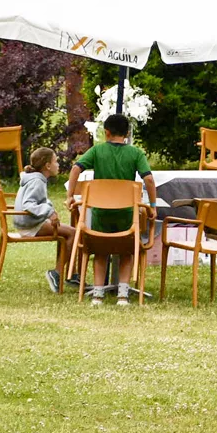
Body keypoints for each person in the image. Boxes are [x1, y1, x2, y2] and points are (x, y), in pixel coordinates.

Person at [66, 114, 155, 306]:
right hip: (126, 215)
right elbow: (148, 179)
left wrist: (70, 195)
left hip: (101, 214)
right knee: (126, 250)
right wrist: (153, 206)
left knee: (100, 249)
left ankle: (97, 294)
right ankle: (123, 294)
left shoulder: (97, 151)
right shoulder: (136, 153)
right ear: (128, 133)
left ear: (106, 132)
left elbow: (76, 169)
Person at [13, 146, 76, 293]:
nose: (58, 164)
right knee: (73, 233)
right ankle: (57, 273)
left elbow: (40, 200)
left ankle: (61, 273)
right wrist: (49, 212)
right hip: (30, 225)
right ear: (47, 165)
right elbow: (29, 204)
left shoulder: (36, 179)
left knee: (66, 233)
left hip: (28, 222)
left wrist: (50, 209)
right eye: (56, 161)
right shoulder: (37, 181)